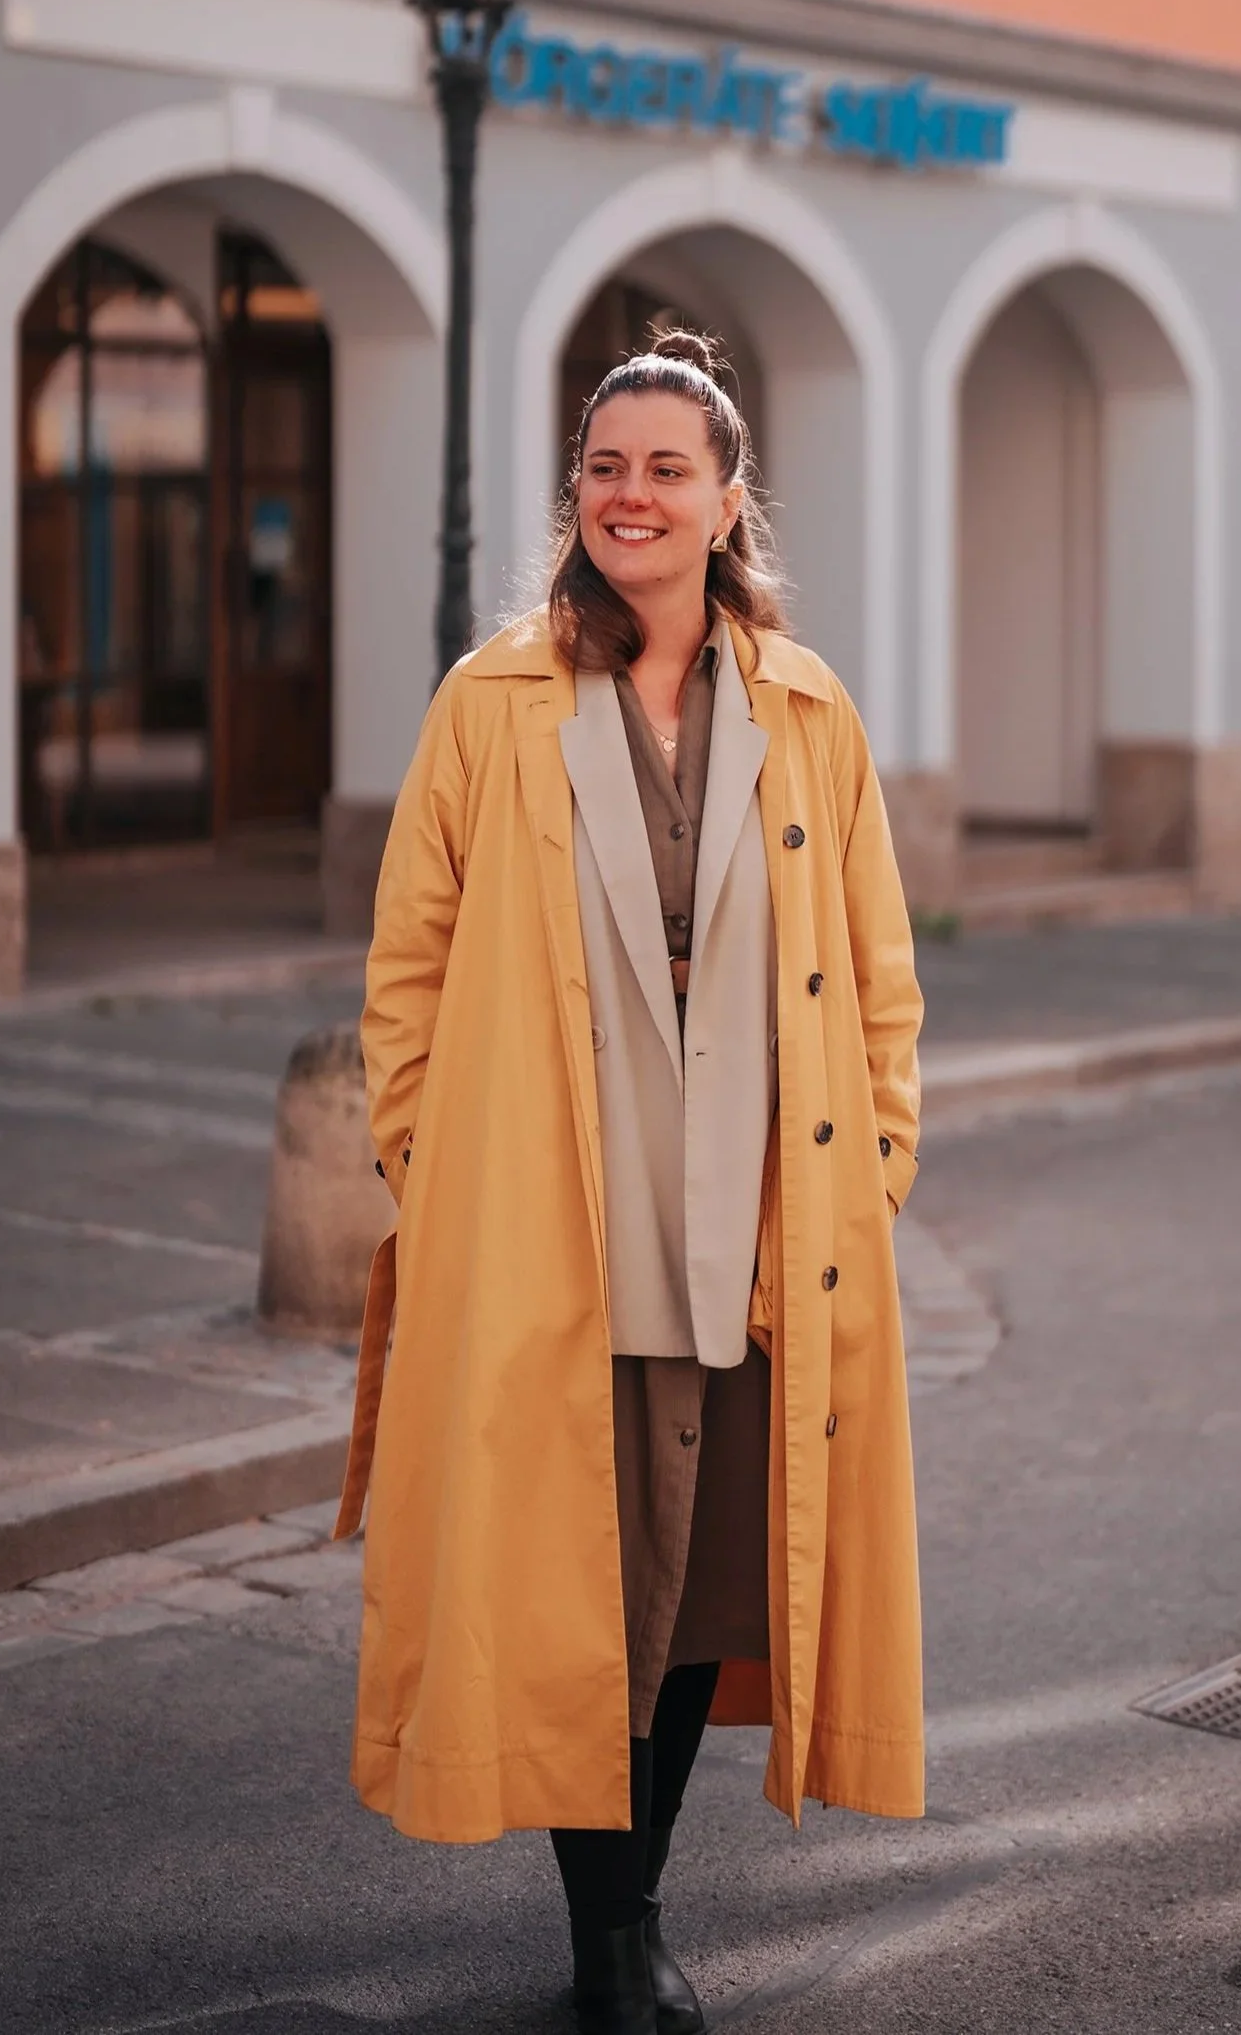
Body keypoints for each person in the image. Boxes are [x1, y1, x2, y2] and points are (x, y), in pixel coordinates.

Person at [334, 327, 925, 2035]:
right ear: (575, 495)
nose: (631, 495)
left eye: (669, 468)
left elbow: (878, 977)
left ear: (728, 500)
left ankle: (634, 1910)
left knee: (686, 1606)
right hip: (546, 1245)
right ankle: (608, 1942)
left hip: (752, 1242)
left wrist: (873, 1170)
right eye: (605, 467)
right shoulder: (491, 702)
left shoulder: (805, 710)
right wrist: (434, 1172)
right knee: (573, 1600)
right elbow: (405, 971)